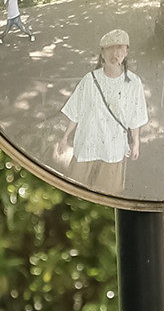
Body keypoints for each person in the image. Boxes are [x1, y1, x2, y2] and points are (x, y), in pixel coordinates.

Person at [57, 29, 147, 197]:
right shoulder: (89, 80)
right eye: (110, 48)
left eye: (120, 48)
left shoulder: (133, 83)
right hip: (87, 144)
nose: (115, 53)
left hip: (113, 148)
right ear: (102, 53)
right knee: (76, 192)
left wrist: (136, 143)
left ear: (126, 52)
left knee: (106, 194)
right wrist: (65, 137)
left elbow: (135, 116)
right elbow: (76, 111)